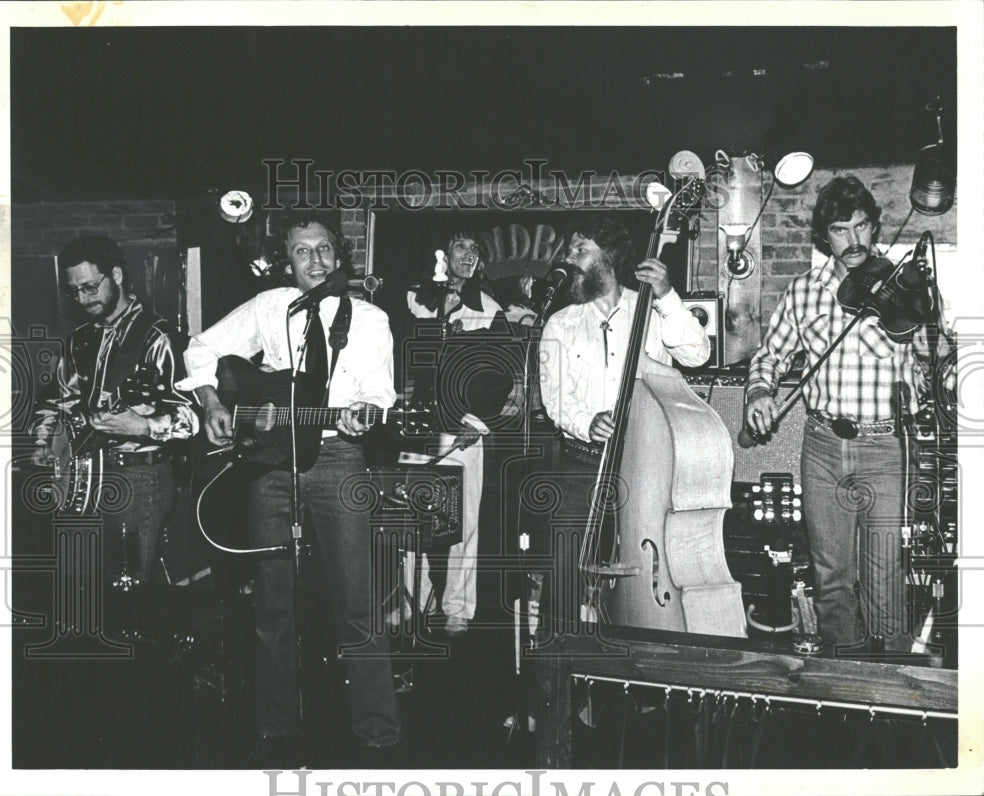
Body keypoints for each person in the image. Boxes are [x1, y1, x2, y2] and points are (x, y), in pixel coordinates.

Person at [178, 209, 400, 763]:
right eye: (302, 251)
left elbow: (380, 392)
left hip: (339, 460)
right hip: (272, 465)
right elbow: (199, 350)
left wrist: (366, 413)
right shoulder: (270, 307)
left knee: (358, 603)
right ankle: (275, 730)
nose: (315, 261)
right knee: (272, 603)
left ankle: (378, 733)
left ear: (339, 254)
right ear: (288, 259)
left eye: (323, 249)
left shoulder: (370, 318)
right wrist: (211, 403)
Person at [744, 175, 937, 654]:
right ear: (823, 236)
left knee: (884, 578)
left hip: (885, 448)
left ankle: (890, 695)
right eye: (839, 230)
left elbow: (934, 363)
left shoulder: (905, 289)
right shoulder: (804, 292)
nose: (852, 241)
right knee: (831, 578)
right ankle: (843, 687)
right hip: (824, 446)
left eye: (861, 227)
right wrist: (758, 393)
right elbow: (769, 356)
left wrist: (935, 362)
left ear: (873, 228)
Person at [537, 215, 710, 634]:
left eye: (580, 250)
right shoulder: (560, 323)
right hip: (581, 464)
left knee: (646, 568)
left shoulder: (650, 308)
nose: (569, 260)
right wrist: (586, 421)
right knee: (563, 574)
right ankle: (556, 673)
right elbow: (555, 397)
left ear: (608, 257)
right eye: (569, 252)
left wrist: (668, 296)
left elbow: (697, 354)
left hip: (645, 466)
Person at [31, 235, 198, 585]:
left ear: (117, 276)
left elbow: (191, 418)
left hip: (139, 477)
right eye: (74, 291)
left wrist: (143, 426)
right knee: (81, 586)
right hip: (81, 475)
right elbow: (56, 398)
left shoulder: (158, 337)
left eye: (90, 287)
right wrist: (44, 441)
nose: (81, 298)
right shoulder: (81, 338)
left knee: (127, 589)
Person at [403, 229, 516, 636]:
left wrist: (477, 420)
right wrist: (439, 313)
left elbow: (500, 369)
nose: (469, 254)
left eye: (475, 249)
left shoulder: (488, 308)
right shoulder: (416, 297)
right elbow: (408, 355)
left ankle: (457, 608)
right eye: (461, 246)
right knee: (410, 518)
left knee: (461, 522)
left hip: (463, 429)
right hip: (416, 427)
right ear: (444, 254)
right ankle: (412, 600)